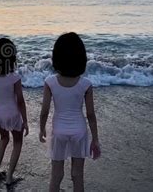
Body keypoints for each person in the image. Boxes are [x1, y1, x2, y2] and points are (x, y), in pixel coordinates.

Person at [39, 32, 101, 192]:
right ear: (81, 58)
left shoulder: (50, 82)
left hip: (58, 130)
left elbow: (44, 110)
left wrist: (41, 129)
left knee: (56, 175)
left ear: (56, 57)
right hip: (79, 131)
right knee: (77, 175)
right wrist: (95, 138)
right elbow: (91, 115)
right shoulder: (85, 84)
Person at [0, 38, 29, 186]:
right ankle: (10, 177)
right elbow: (20, 101)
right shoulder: (14, 77)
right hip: (12, 114)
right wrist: (25, 120)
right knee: (17, 141)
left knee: (3, 139)